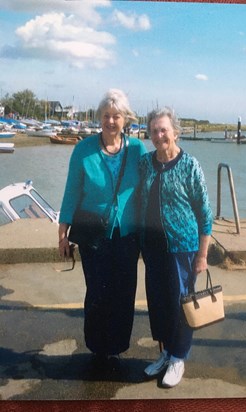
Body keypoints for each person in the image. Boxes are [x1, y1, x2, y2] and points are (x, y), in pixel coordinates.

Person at [58, 89, 147, 374]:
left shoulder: (137, 149)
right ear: (100, 118)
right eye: (106, 116)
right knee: (97, 292)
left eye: (116, 116)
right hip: (93, 233)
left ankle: (117, 346)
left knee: (123, 292)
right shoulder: (83, 149)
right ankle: (97, 347)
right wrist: (63, 233)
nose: (111, 121)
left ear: (125, 119)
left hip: (127, 232)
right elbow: (72, 192)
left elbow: (150, 187)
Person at [139, 107, 213, 388]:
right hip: (153, 248)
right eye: (154, 131)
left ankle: (178, 357)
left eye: (164, 130)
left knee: (181, 303)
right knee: (158, 303)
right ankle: (165, 353)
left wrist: (202, 254)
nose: (159, 136)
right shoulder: (145, 163)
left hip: (183, 247)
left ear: (175, 132)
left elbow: (205, 215)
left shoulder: (189, 165)